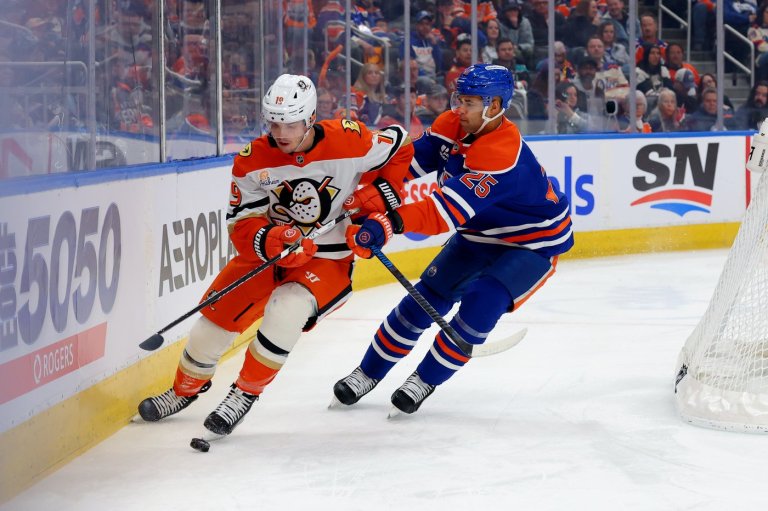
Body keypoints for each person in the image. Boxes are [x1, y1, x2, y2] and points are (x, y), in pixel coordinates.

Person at [136, 74, 414, 438]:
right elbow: (241, 223)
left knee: (288, 308)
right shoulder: (252, 159)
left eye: (291, 124)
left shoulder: (350, 139)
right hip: (271, 254)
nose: (281, 133)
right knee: (211, 325)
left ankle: (243, 394)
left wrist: (383, 196)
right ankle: (184, 391)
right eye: (274, 123)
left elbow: (400, 143)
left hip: (327, 258)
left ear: (310, 118)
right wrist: (271, 238)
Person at [331, 64, 573, 415]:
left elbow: (442, 212)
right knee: (422, 300)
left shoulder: (501, 153)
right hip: (478, 234)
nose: (459, 108)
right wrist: (372, 196)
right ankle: (367, 373)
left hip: (532, 243)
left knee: (482, 301)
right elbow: (408, 164)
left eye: (469, 102)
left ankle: (424, 380)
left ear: (494, 106)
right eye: (459, 99)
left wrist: (388, 222)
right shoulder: (453, 124)